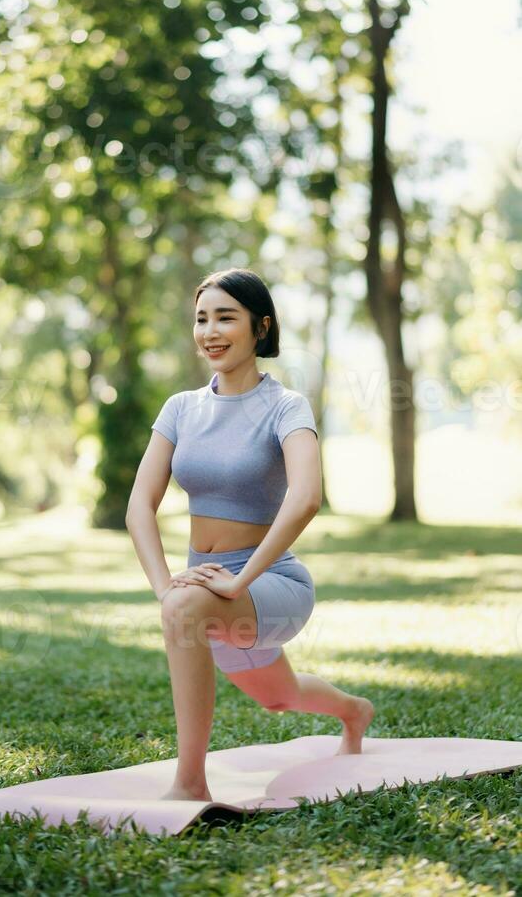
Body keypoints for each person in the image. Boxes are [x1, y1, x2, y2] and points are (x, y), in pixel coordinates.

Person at [125, 267, 374, 802]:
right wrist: (165, 584)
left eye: (225, 318)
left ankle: (190, 784)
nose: (210, 331)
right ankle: (354, 712)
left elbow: (305, 496)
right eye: (201, 319)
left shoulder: (286, 407)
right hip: (208, 586)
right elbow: (139, 507)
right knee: (279, 697)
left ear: (261, 328)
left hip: (271, 584)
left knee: (185, 611)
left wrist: (239, 582)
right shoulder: (181, 409)